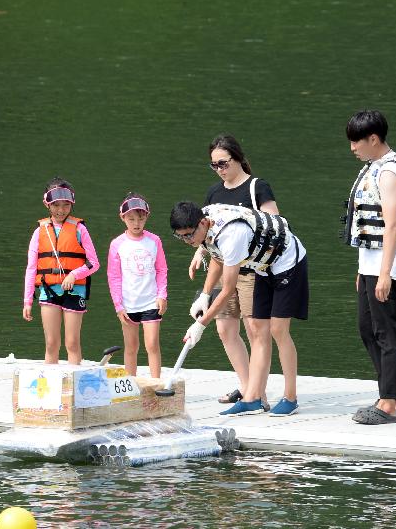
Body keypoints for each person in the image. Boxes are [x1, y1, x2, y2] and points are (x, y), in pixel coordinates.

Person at [170, 201, 309, 416]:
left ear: (203, 223)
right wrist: (205, 295)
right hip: (263, 266)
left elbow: (227, 290)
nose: (188, 241)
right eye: (181, 237)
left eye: (189, 235)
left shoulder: (231, 234)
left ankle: (290, 398)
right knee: (259, 330)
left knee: (278, 330)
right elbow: (216, 255)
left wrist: (201, 324)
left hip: (287, 261)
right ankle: (252, 399)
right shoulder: (206, 224)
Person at [341, 110, 396, 425]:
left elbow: (391, 226)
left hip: (390, 267)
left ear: (373, 139)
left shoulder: (389, 172)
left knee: (387, 333)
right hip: (371, 265)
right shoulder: (373, 168)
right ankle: (386, 393)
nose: (352, 148)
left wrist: (385, 273)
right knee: (367, 328)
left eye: (356, 141)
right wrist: (364, 269)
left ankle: (391, 401)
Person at [189, 134, 278, 409]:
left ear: (237, 158)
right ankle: (245, 385)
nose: (220, 170)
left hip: (251, 270)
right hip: (222, 265)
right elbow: (209, 230)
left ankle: (258, 392)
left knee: (254, 329)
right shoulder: (214, 193)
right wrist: (199, 251)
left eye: (223, 163)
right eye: (214, 165)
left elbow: (275, 224)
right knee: (225, 328)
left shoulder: (257, 187)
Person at [22, 177, 100, 365]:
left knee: (72, 343)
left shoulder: (80, 229)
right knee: (51, 343)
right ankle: (51, 388)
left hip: (74, 291)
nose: (61, 210)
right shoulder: (39, 231)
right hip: (48, 291)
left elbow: (94, 263)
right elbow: (32, 267)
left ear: (71, 204)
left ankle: (73, 388)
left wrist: (74, 274)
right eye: (56, 205)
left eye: (66, 205)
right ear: (47, 204)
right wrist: (27, 301)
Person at [107, 193, 168, 378]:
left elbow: (162, 270)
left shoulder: (154, 240)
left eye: (141, 218)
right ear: (122, 218)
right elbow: (114, 276)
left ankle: (156, 384)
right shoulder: (117, 244)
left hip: (151, 301)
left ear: (146, 217)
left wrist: (162, 295)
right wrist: (118, 305)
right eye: (131, 219)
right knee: (131, 346)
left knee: (152, 344)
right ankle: (130, 385)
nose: (136, 223)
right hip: (128, 303)